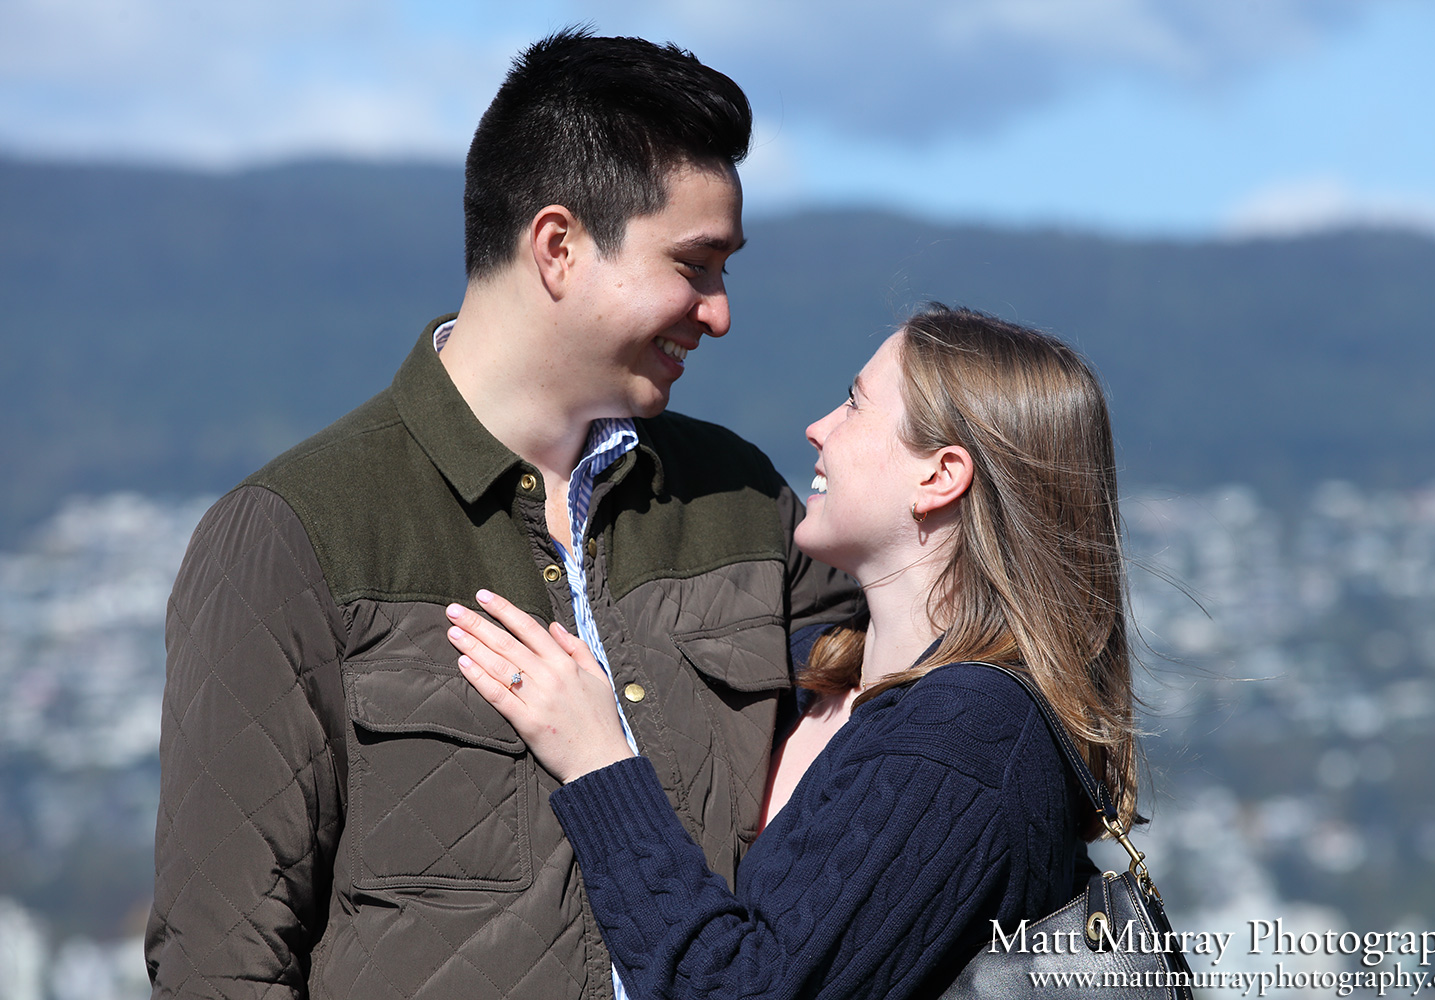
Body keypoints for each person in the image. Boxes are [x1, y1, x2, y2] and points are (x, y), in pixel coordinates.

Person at [147, 30, 860, 1000]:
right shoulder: (290, 536)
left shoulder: (746, 504)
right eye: (695, 266)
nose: (720, 311)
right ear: (558, 247)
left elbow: (933, 700)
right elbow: (219, 961)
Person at [444, 304, 1141, 1000]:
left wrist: (597, 762)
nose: (819, 428)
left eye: (854, 404)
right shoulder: (828, 675)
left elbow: (746, 989)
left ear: (939, 477)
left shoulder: (967, 739)